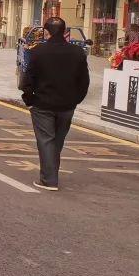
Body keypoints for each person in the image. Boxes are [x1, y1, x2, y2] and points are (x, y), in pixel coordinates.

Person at [21, 16, 89, 191]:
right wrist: (75, 100)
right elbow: (84, 81)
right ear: (65, 32)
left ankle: (49, 180)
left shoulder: (38, 52)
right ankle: (51, 174)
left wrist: (29, 100)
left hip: (42, 105)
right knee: (57, 141)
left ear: (46, 32)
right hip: (67, 106)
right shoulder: (77, 52)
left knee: (46, 141)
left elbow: (27, 80)